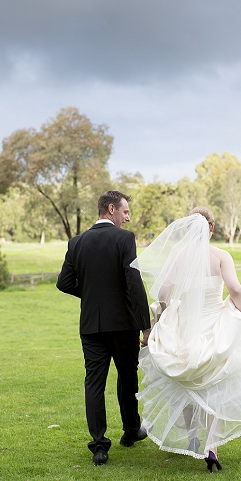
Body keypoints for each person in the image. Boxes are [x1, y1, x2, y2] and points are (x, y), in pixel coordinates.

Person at [131, 207, 241, 472]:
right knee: (215, 385)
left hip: (185, 326)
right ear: (212, 228)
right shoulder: (220, 255)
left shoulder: (178, 256)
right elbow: (235, 288)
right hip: (214, 322)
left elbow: (163, 291)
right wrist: (239, 307)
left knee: (184, 382)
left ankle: (192, 437)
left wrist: (169, 308)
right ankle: (211, 447)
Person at [57, 191, 152, 465]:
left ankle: (99, 446)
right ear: (111, 209)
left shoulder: (76, 242)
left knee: (94, 383)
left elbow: (64, 282)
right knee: (127, 376)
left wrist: (90, 294)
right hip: (123, 324)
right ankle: (131, 430)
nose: (128, 217)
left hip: (90, 325)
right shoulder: (125, 239)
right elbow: (133, 283)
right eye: (125, 212)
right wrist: (145, 325)